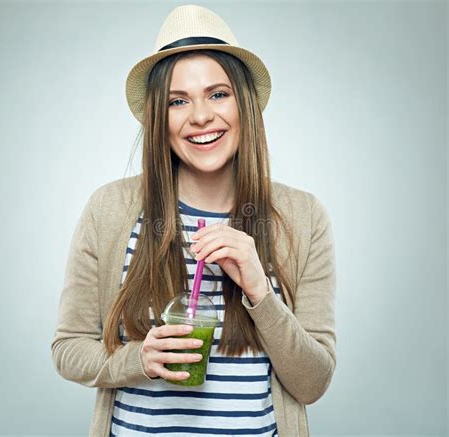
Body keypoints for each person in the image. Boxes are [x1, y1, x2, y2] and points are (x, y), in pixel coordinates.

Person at [51, 4, 337, 437]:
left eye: (218, 94)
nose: (201, 116)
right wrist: (138, 359)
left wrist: (260, 290)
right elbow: (68, 348)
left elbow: (312, 383)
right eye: (178, 101)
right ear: (158, 119)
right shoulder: (109, 209)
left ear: (245, 103)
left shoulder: (303, 218)